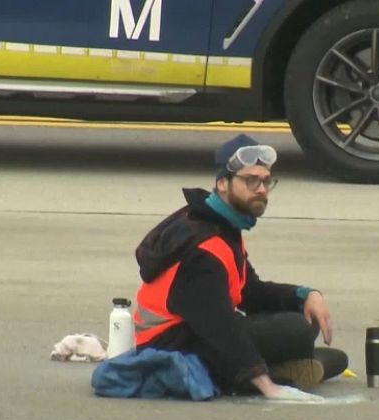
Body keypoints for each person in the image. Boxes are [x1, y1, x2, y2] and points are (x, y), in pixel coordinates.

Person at [131, 134, 348, 401]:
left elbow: (249, 291)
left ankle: (281, 369)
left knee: (315, 331)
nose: (261, 189)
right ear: (223, 183)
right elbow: (219, 326)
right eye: (251, 180)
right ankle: (265, 375)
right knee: (298, 331)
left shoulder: (222, 227)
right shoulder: (203, 246)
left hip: (198, 332)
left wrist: (305, 295)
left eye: (266, 181)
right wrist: (268, 386)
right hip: (173, 345)